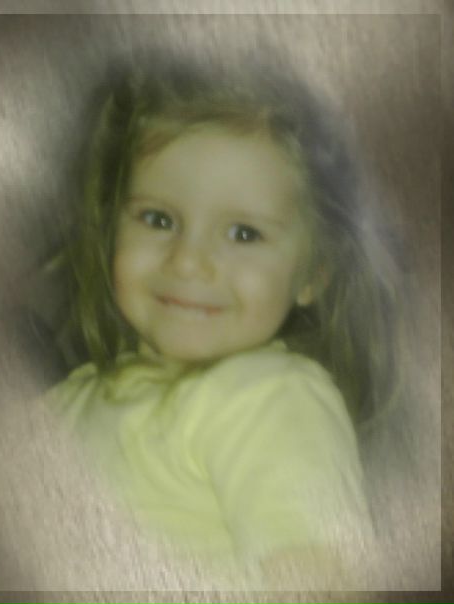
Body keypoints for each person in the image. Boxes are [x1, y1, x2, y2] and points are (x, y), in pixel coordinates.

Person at [42, 50, 403, 589]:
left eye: (243, 234)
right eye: (158, 219)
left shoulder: (270, 401)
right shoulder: (70, 400)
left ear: (314, 273)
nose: (187, 261)